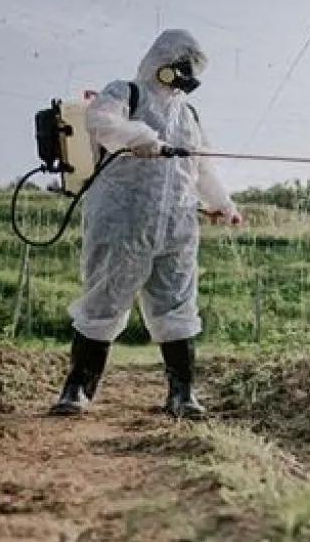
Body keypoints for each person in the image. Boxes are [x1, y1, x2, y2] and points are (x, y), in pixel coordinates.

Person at [49, 28, 242, 419]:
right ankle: (77, 389)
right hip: (123, 220)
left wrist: (223, 203)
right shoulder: (126, 92)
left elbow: (202, 167)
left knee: (177, 303)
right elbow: (100, 120)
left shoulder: (189, 114)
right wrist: (139, 136)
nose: (185, 76)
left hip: (177, 223)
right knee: (104, 299)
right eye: (180, 65)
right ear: (163, 62)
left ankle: (182, 393)